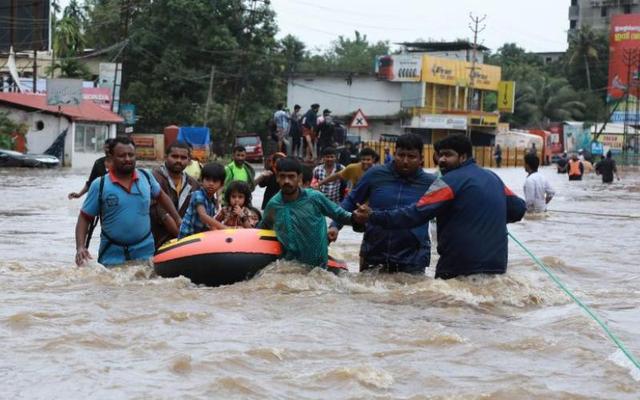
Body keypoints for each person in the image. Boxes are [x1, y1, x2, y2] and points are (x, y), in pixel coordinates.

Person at [354, 135, 526, 280]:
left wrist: (373, 216)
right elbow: (518, 209)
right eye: (440, 155)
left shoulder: (448, 182)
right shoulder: (493, 177)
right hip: (496, 266)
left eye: (448, 155)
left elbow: (415, 214)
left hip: (457, 267)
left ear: (463, 157)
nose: (441, 160)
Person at [329, 133, 436, 275]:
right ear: (394, 153)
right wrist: (335, 226)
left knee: (411, 295)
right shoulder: (375, 174)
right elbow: (351, 200)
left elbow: (447, 217)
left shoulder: (431, 183)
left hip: (412, 259)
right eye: (401, 155)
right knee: (367, 294)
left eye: (411, 157)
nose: (405, 161)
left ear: (421, 158)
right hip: (374, 252)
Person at [74, 137, 182, 267]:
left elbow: (162, 197)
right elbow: (85, 218)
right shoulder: (100, 185)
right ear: (111, 157)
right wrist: (80, 247)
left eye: (131, 155)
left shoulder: (146, 177)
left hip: (145, 251)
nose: (127, 159)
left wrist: (178, 219)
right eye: (122, 155)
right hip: (111, 253)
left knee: (148, 284)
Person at [258, 157, 359, 269]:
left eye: (291, 176)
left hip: (318, 269)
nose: (286, 181)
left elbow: (340, 215)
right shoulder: (273, 205)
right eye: (282, 176)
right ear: (277, 178)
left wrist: (357, 218)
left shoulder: (315, 198)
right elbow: (262, 228)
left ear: (299, 178)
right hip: (290, 269)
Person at [149, 141, 201, 248]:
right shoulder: (154, 178)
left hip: (185, 242)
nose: (179, 160)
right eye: (174, 156)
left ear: (189, 160)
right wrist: (184, 240)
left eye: (183, 158)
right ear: (165, 157)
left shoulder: (193, 184)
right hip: (158, 241)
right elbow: (161, 213)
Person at [178, 163, 227, 238]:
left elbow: (209, 222)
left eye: (215, 181)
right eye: (207, 180)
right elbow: (203, 216)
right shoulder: (198, 194)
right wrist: (225, 228)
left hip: (198, 236)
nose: (211, 184)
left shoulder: (212, 201)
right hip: (187, 236)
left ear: (221, 184)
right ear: (201, 181)